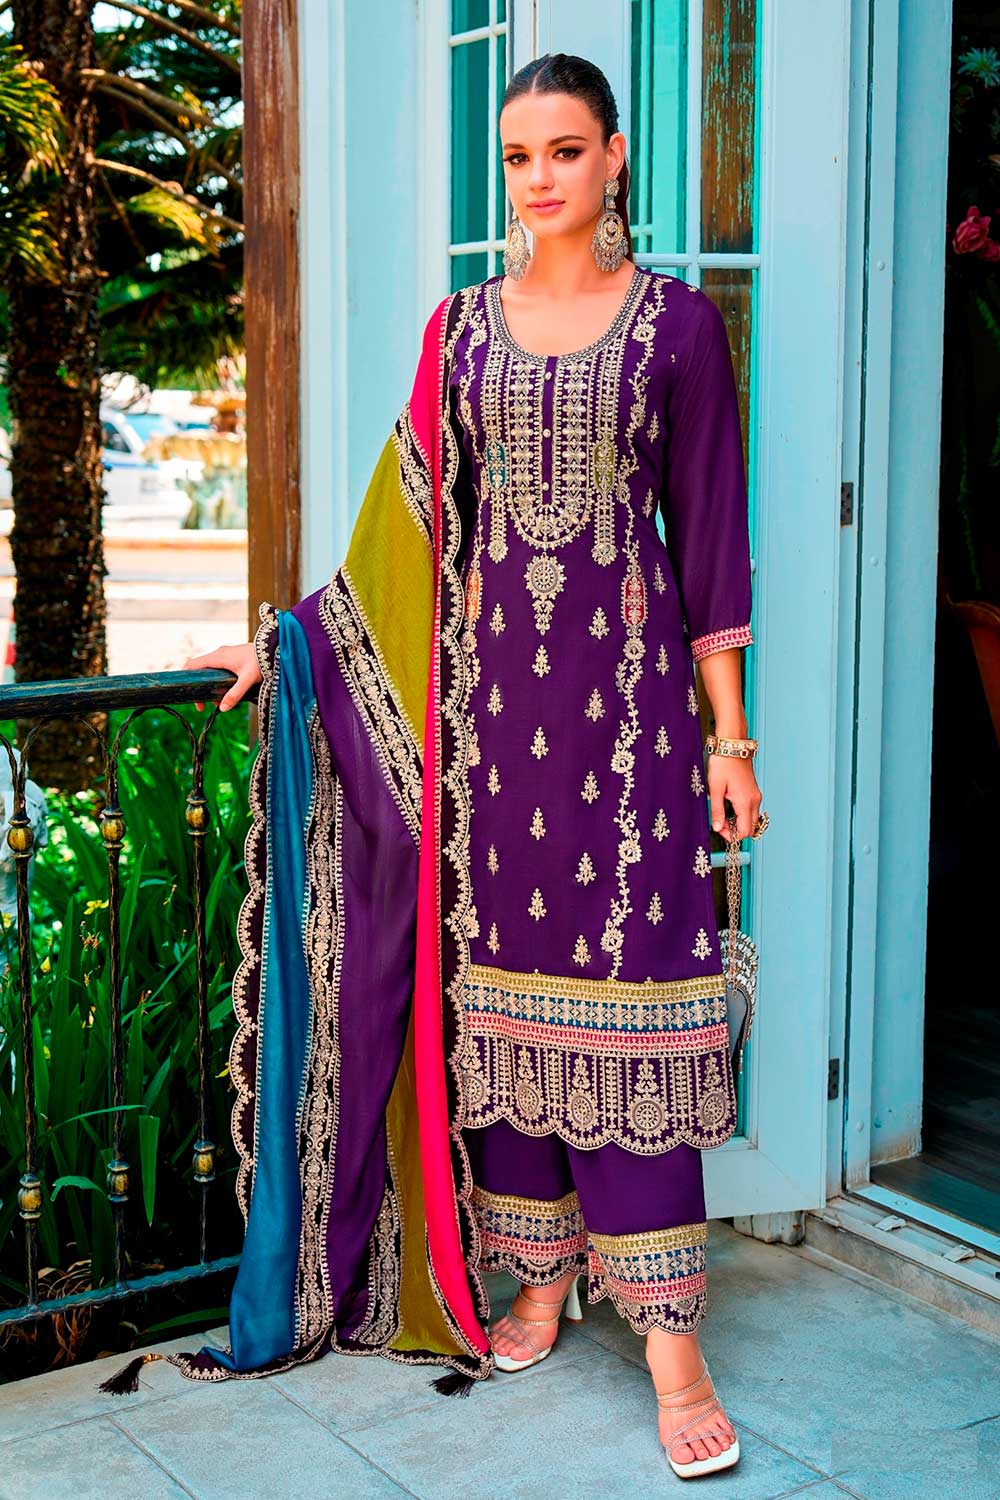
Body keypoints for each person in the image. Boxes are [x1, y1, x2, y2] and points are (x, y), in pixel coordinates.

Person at [135, 51, 764, 1484]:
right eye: (518, 156)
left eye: (565, 150)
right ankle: (536, 1281)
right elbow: (402, 526)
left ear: (615, 157)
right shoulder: (458, 333)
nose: (539, 179)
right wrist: (289, 642)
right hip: (487, 741)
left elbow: (714, 541)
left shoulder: (679, 329)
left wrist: (730, 742)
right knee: (500, 1020)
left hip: (632, 738)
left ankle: (673, 1347)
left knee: (638, 1016)